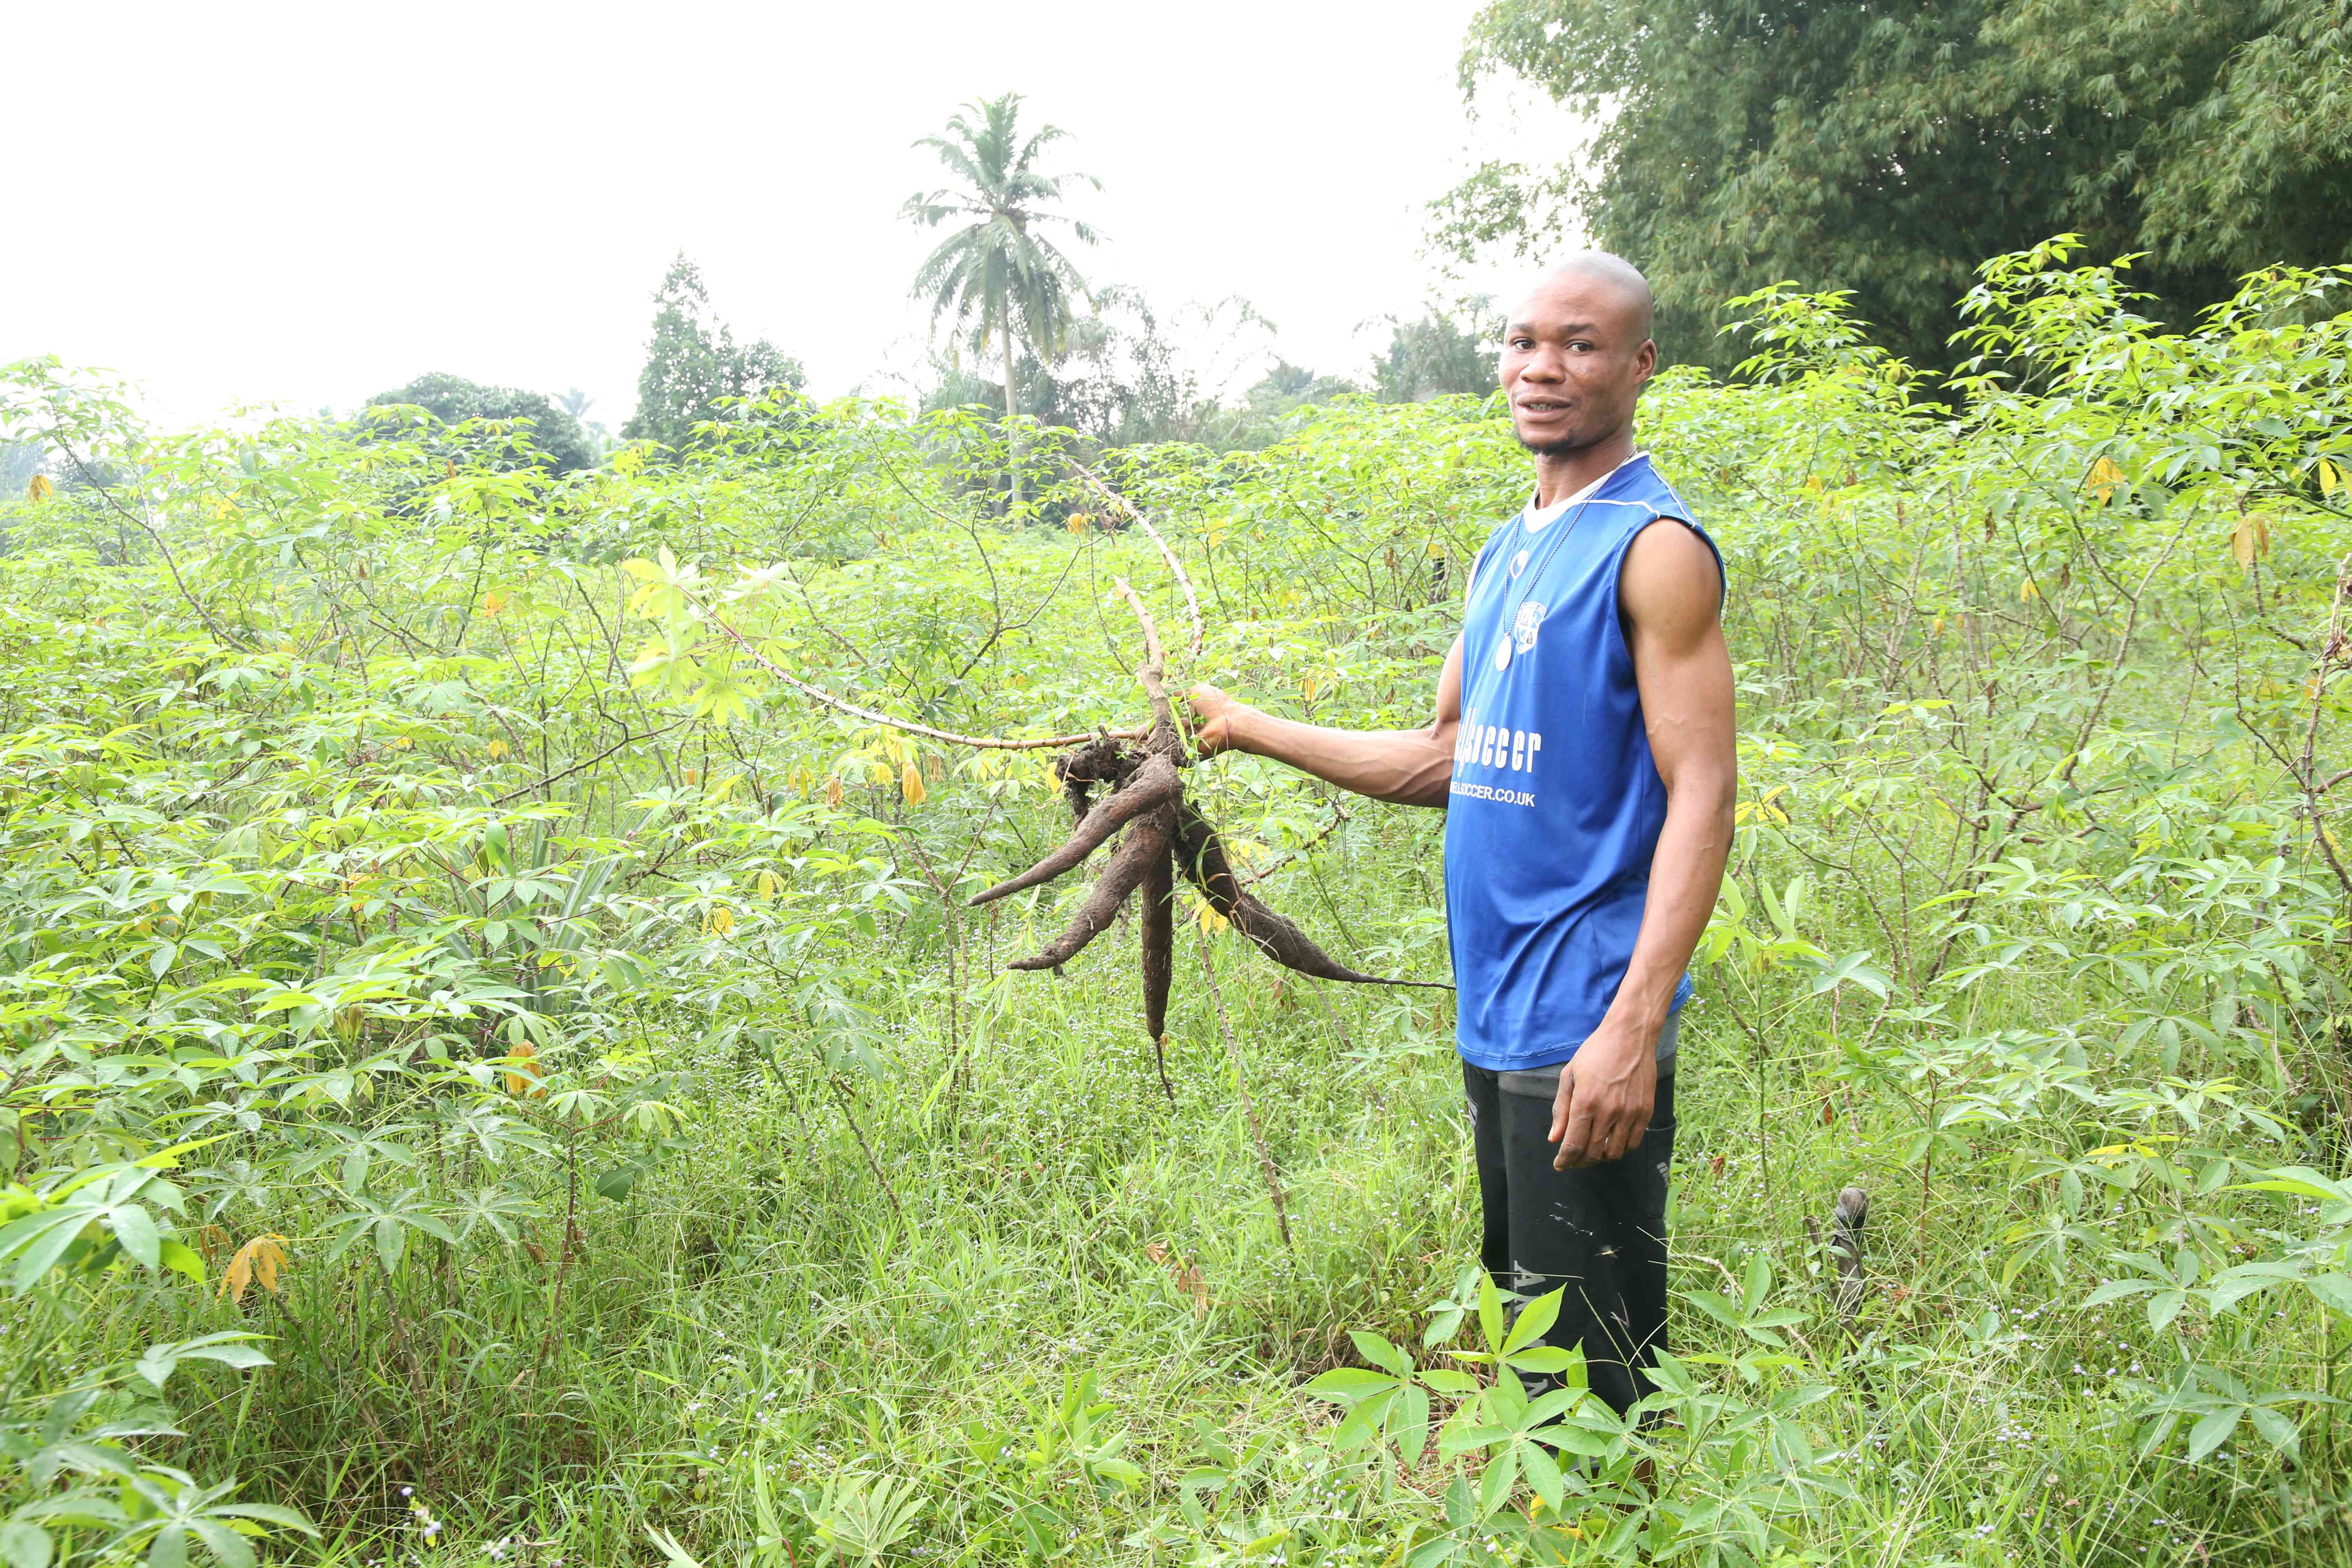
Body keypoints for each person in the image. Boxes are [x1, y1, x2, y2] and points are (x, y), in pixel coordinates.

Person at [1185, 253, 1736, 1417]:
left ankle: (1614, 1535)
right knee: (1541, 1325)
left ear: (1639, 366)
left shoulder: (1653, 548)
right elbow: (1447, 758)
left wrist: (1631, 1026)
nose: (1543, 368)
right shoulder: (1507, 550)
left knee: (1588, 1373)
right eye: (1524, 341)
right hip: (1500, 1004)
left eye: (1580, 345)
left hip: (1584, 1013)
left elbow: (1705, 795)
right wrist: (1241, 727)